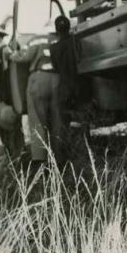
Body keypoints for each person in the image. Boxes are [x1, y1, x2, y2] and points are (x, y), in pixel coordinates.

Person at [10, 24, 62, 165]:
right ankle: (59, 158)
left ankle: (40, 159)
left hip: (39, 79)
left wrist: (13, 54)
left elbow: (24, 57)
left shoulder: (36, 39)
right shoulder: (58, 38)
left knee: (37, 120)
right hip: (57, 79)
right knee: (57, 119)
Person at [0, 23, 24, 157]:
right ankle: (9, 149)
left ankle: (18, 149)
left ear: (1, 36)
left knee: (11, 118)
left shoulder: (5, 50)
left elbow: (13, 63)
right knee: (0, 119)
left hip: (6, 90)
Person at [50, 15, 79, 163]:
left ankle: (64, 159)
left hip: (64, 89)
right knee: (82, 121)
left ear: (56, 30)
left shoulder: (53, 48)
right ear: (69, 27)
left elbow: (55, 68)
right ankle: (81, 152)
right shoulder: (75, 41)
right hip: (79, 86)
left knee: (63, 124)